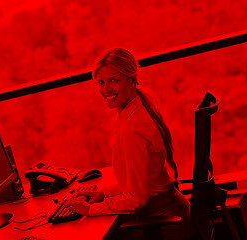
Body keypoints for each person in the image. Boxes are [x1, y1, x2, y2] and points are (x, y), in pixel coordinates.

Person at [66, 48, 194, 239]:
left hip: (167, 222)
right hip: (172, 211)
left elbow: (136, 199)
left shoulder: (132, 128)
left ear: (132, 80)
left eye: (114, 81)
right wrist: (103, 193)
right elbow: (140, 179)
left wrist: (91, 209)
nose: (105, 89)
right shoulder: (136, 113)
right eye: (101, 82)